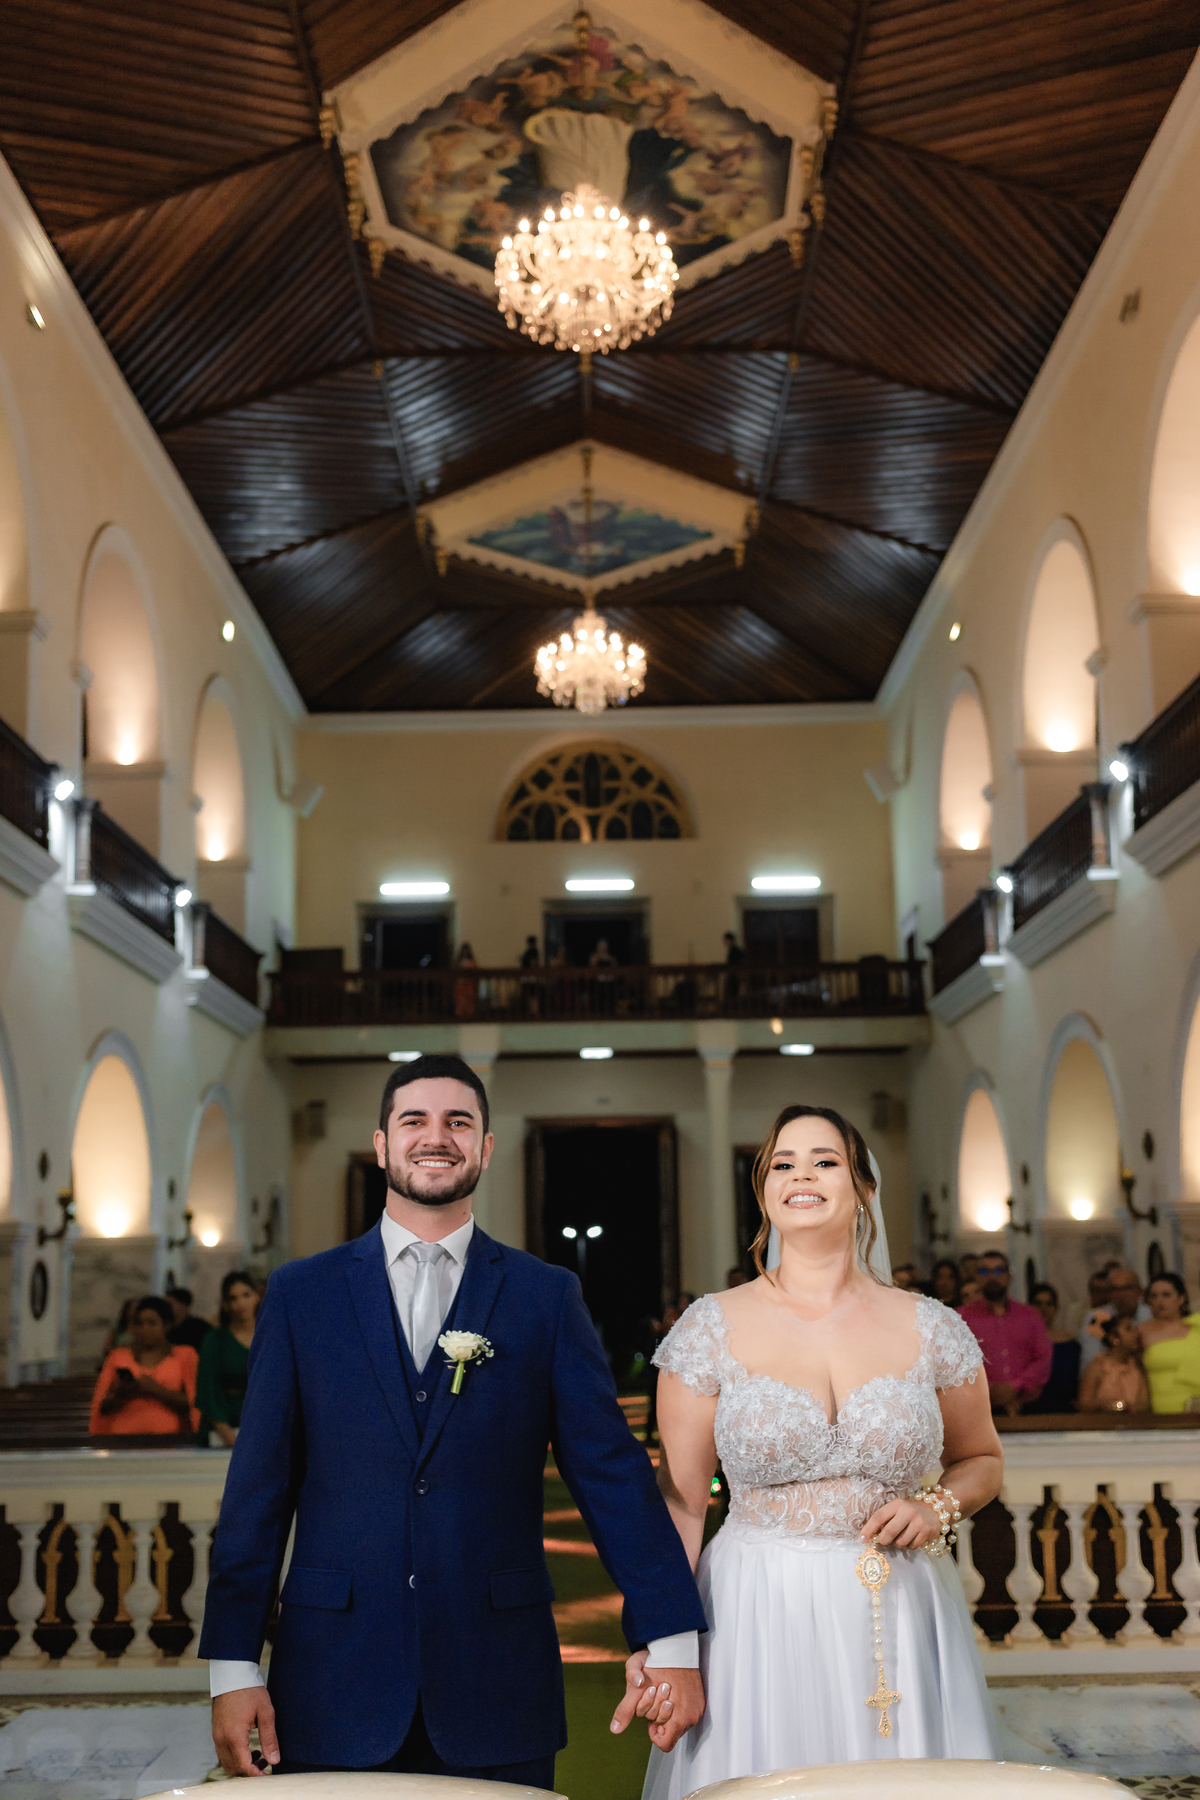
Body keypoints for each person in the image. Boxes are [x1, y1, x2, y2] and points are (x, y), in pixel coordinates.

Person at [201, 1053, 705, 1782]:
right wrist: (232, 1664)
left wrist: (672, 1637)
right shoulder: (300, 1295)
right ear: (381, 1144)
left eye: (458, 1121)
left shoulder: (545, 1297)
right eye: (414, 1120)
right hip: (330, 1678)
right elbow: (257, 1492)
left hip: (495, 1676)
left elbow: (613, 1479)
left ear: (486, 1148)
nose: (435, 1136)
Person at [636, 1105, 1000, 1795]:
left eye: (825, 1160)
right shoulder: (708, 1329)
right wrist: (669, 1646)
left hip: (900, 1602)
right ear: (764, 1190)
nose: (801, 1174)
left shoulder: (933, 1327)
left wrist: (938, 1506)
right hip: (754, 1604)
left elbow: (982, 1458)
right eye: (783, 1163)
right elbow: (680, 1506)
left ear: (863, 1187)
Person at [90, 1295, 199, 1437]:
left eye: (152, 1323)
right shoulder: (118, 1356)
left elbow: (194, 1402)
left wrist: (156, 1389)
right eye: (139, 1324)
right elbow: (101, 1405)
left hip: (171, 1439)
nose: (144, 1329)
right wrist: (121, 1393)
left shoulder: (185, 1355)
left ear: (167, 1325)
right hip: (122, 1437)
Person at [958, 1251, 1052, 1415]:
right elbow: (956, 1362)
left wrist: (1014, 1387)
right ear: (977, 1277)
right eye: (984, 1271)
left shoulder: (1030, 1316)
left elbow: (1043, 1358)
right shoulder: (961, 1318)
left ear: (1009, 1276)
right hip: (977, 1409)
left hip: (1028, 1408)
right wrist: (991, 1390)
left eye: (999, 1270)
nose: (992, 1277)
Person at [197, 1271, 260, 1447]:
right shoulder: (216, 1340)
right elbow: (208, 1392)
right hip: (227, 1425)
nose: (241, 1303)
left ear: (256, 1296)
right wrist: (232, 1440)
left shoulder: (271, 1336)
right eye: (233, 1298)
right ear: (225, 1304)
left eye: (246, 1295)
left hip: (268, 1423)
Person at [1140, 1273, 1200, 1413]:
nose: (1159, 1301)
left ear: (1181, 1298)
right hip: (1160, 1408)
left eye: (1166, 1295)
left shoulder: (1197, 1326)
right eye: (1154, 1296)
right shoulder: (1141, 1332)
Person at [1022, 1283, 1081, 1413]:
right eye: (1038, 1303)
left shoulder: (1069, 1341)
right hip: (1030, 1408)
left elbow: (1078, 1375)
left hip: (1065, 1408)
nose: (1044, 1309)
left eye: (1049, 1304)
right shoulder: (1022, 1341)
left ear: (1056, 1308)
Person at [1080, 1266, 1150, 1372]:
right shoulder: (1098, 1317)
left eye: (1126, 1288)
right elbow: (1090, 1358)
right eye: (1114, 1289)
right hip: (1109, 1376)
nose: (1120, 1295)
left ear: (1139, 1291)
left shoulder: (1151, 1314)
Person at [1077, 1314, 1149, 1413]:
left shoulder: (1136, 1367)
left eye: (1135, 1328)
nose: (1136, 1333)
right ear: (1113, 1338)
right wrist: (1113, 1406)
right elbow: (1084, 1404)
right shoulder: (1098, 1367)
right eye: (1129, 1329)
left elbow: (1144, 1403)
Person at [167, 1285, 213, 1353]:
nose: (166, 1308)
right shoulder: (167, 1328)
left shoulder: (199, 1327)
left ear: (182, 1305)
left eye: (169, 1304)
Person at [453, 944, 477, 1020]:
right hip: (460, 985)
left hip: (469, 985)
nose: (465, 952)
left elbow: (474, 971)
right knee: (460, 1002)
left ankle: (469, 1016)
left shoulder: (472, 962)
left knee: (469, 1002)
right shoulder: (458, 962)